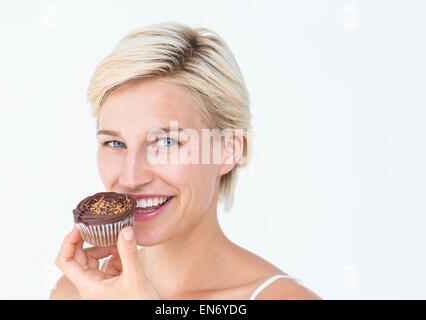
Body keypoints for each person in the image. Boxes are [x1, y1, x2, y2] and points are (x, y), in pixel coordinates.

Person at [50, 21, 321, 300]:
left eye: (166, 142)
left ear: (227, 150)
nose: (131, 178)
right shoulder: (78, 292)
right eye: (115, 143)